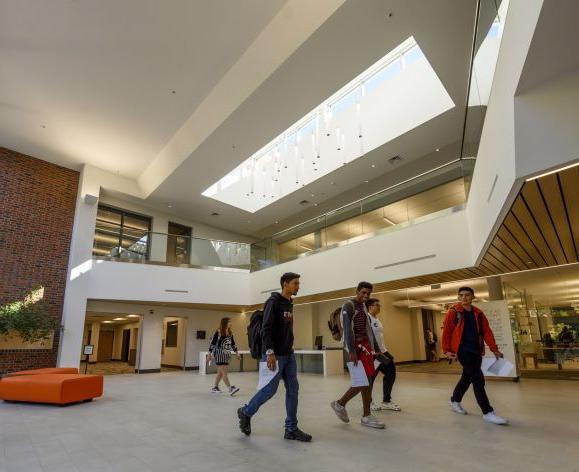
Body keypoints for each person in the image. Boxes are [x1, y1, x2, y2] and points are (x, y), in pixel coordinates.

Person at [237, 272, 312, 442]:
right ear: (285, 284)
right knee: (270, 390)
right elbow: (266, 328)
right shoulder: (273, 302)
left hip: (288, 354)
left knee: (293, 389)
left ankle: (291, 429)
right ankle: (246, 412)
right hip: (274, 355)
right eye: (295, 283)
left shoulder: (289, 303)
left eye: (298, 283)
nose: (298, 286)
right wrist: (270, 352)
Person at [442, 286, 509, 425]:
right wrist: (447, 350)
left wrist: (494, 349)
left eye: (467, 295)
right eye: (461, 295)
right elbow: (447, 332)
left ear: (473, 297)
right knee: (478, 379)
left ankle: (455, 400)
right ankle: (487, 412)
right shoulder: (453, 312)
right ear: (458, 297)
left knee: (467, 378)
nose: (464, 298)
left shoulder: (478, 313)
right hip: (462, 350)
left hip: (476, 350)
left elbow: (487, 332)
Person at [330, 282, 385, 429]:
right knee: (363, 381)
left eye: (368, 294)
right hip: (356, 347)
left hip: (365, 347)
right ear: (357, 291)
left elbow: (368, 329)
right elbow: (347, 329)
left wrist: (377, 348)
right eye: (363, 293)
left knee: (368, 380)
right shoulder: (349, 305)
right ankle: (340, 403)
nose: (366, 296)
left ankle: (366, 415)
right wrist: (352, 351)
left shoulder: (363, 306)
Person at [366, 298, 401, 412]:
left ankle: (386, 401)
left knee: (391, 371)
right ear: (370, 307)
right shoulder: (367, 319)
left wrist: (385, 352)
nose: (379, 307)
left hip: (383, 352)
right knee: (370, 379)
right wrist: (373, 352)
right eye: (377, 305)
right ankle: (368, 401)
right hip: (373, 354)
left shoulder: (377, 319)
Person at [208, 317, 240, 395]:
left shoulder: (230, 333)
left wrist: (237, 353)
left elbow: (233, 344)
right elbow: (213, 343)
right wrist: (209, 354)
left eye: (230, 322)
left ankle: (215, 387)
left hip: (226, 354)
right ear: (225, 323)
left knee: (220, 373)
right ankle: (230, 388)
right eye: (229, 322)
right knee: (224, 372)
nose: (230, 323)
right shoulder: (218, 332)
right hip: (219, 354)